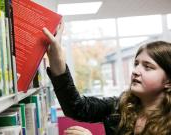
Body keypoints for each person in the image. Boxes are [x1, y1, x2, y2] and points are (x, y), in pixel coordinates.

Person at [42, 21, 171, 135]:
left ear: (168, 81)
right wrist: (57, 60)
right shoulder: (120, 106)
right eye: (136, 64)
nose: (136, 71)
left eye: (148, 67)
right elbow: (76, 108)